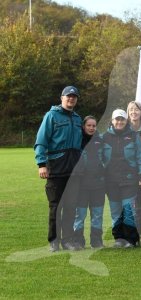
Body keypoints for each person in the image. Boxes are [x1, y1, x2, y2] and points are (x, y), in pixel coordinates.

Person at [35, 86, 83, 252]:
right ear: (62, 98)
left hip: (74, 170)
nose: (71, 99)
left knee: (71, 207)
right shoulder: (51, 116)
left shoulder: (77, 119)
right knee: (56, 207)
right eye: (68, 96)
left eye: (74, 97)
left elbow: (81, 145)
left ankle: (68, 241)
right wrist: (41, 164)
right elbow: (41, 141)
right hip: (56, 168)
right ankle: (54, 241)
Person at [102, 109, 141, 248]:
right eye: (117, 119)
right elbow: (100, 157)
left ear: (126, 121)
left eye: (122, 119)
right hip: (111, 181)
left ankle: (131, 239)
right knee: (116, 211)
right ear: (112, 120)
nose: (119, 122)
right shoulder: (105, 137)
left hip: (129, 180)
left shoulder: (134, 136)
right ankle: (119, 238)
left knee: (129, 210)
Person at [73, 116, 106, 249]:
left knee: (97, 214)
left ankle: (96, 240)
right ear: (84, 126)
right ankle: (78, 240)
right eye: (89, 125)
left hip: (98, 184)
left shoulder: (100, 139)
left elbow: (106, 158)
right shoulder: (77, 140)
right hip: (81, 184)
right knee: (79, 214)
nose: (92, 128)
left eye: (94, 126)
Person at [127, 101, 141, 241]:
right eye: (131, 110)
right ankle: (126, 234)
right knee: (128, 206)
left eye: (136, 110)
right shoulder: (123, 128)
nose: (134, 112)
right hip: (127, 175)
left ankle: (137, 235)